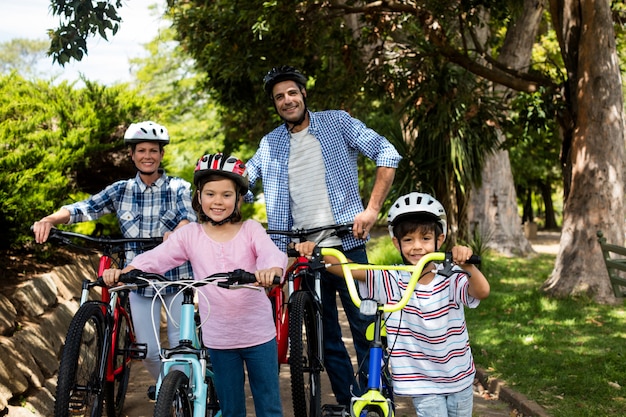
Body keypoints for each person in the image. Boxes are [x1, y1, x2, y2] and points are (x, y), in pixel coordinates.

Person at [246, 65, 403, 406]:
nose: (287, 100)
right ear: (274, 105)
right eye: (279, 97)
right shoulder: (269, 143)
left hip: (348, 246)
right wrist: (214, 188)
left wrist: (372, 210)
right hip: (304, 254)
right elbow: (242, 183)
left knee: (366, 329)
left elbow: (387, 153)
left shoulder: (337, 122)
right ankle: (350, 404)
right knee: (325, 337)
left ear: (303, 94)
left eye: (291, 93)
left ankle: (377, 399)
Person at [103, 153, 287, 417]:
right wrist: (128, 271)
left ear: (238, 199)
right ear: (199, 197)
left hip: (258, 335)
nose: (218, 201)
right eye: (210, 194)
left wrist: (271, 270)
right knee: (231, 409)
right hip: (218, 338)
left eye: (226, 195)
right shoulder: (191, 235)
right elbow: (158, 257)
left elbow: (270, 252)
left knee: (269, 407)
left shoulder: (250, 230)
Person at [32, 121, 196, 399]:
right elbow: (83, 208)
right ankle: (170, 392)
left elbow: (189, 217)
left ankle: (189, 394)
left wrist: (178, 233)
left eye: (153, 150)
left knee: (183, 347)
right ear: (131, 155)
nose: (147, 155)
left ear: (162, 155)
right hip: (138, 281)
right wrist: (49, 219)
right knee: (149, 350)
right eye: (141, 150)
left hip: (177, 277)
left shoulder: (178, 187)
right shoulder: (121, 190)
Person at [297, 192, 490, 417]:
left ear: (440, 239)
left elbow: (482, 291)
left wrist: (468, 265)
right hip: (422, 381)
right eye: (408, 240)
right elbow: (349, 268)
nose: (417, 247)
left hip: (459, 375)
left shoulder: (451, 276)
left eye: (425, 238)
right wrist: (316, 253)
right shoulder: (391, 279)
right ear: (396, 243)